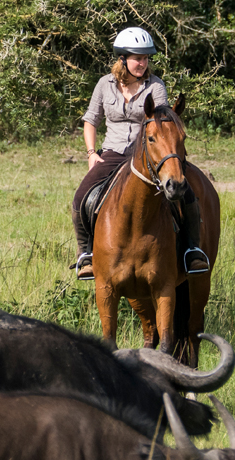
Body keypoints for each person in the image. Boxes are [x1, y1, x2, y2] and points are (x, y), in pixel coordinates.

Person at [72, 27, 209, 280]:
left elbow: (163, 120)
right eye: (137, 58)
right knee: (82, 196)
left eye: (146, 58)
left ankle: (192, 249)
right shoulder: (104, 84)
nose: (142, 63)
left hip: (146, 157)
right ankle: (86, 254)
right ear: (123, 59)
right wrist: (92, 153)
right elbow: (91, 120)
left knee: (186, 193)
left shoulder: (155, 86)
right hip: (112, 154)